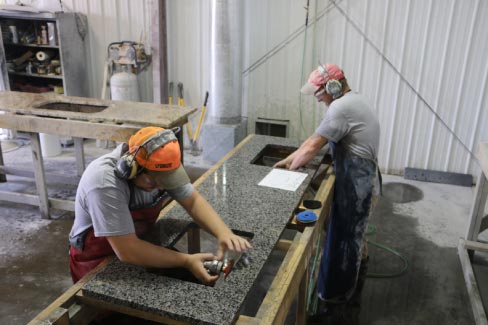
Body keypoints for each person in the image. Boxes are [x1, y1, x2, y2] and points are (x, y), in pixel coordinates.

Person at [69, 126, 251, 285]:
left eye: (167, 180)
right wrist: (187, 261)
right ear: (130, 167)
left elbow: (193, 201)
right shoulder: (103, 182)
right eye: (155, 180)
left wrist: (223, 233)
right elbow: (128, 250)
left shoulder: (160, 168)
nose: (162, 186)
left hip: (137, 244)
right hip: (97, 260)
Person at [274, 63, 380, 323]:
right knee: (353, 240)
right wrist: (290, 158)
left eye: (318, 92)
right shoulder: (351, 101)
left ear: (333, 86)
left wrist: (285, 171)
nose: (317, 97)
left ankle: (336, 308)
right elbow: (315, 138)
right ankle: (351, 292)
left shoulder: (340, 108)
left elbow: (312, 146)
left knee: (344, 242)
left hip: (358, 185)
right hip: (360, 179)